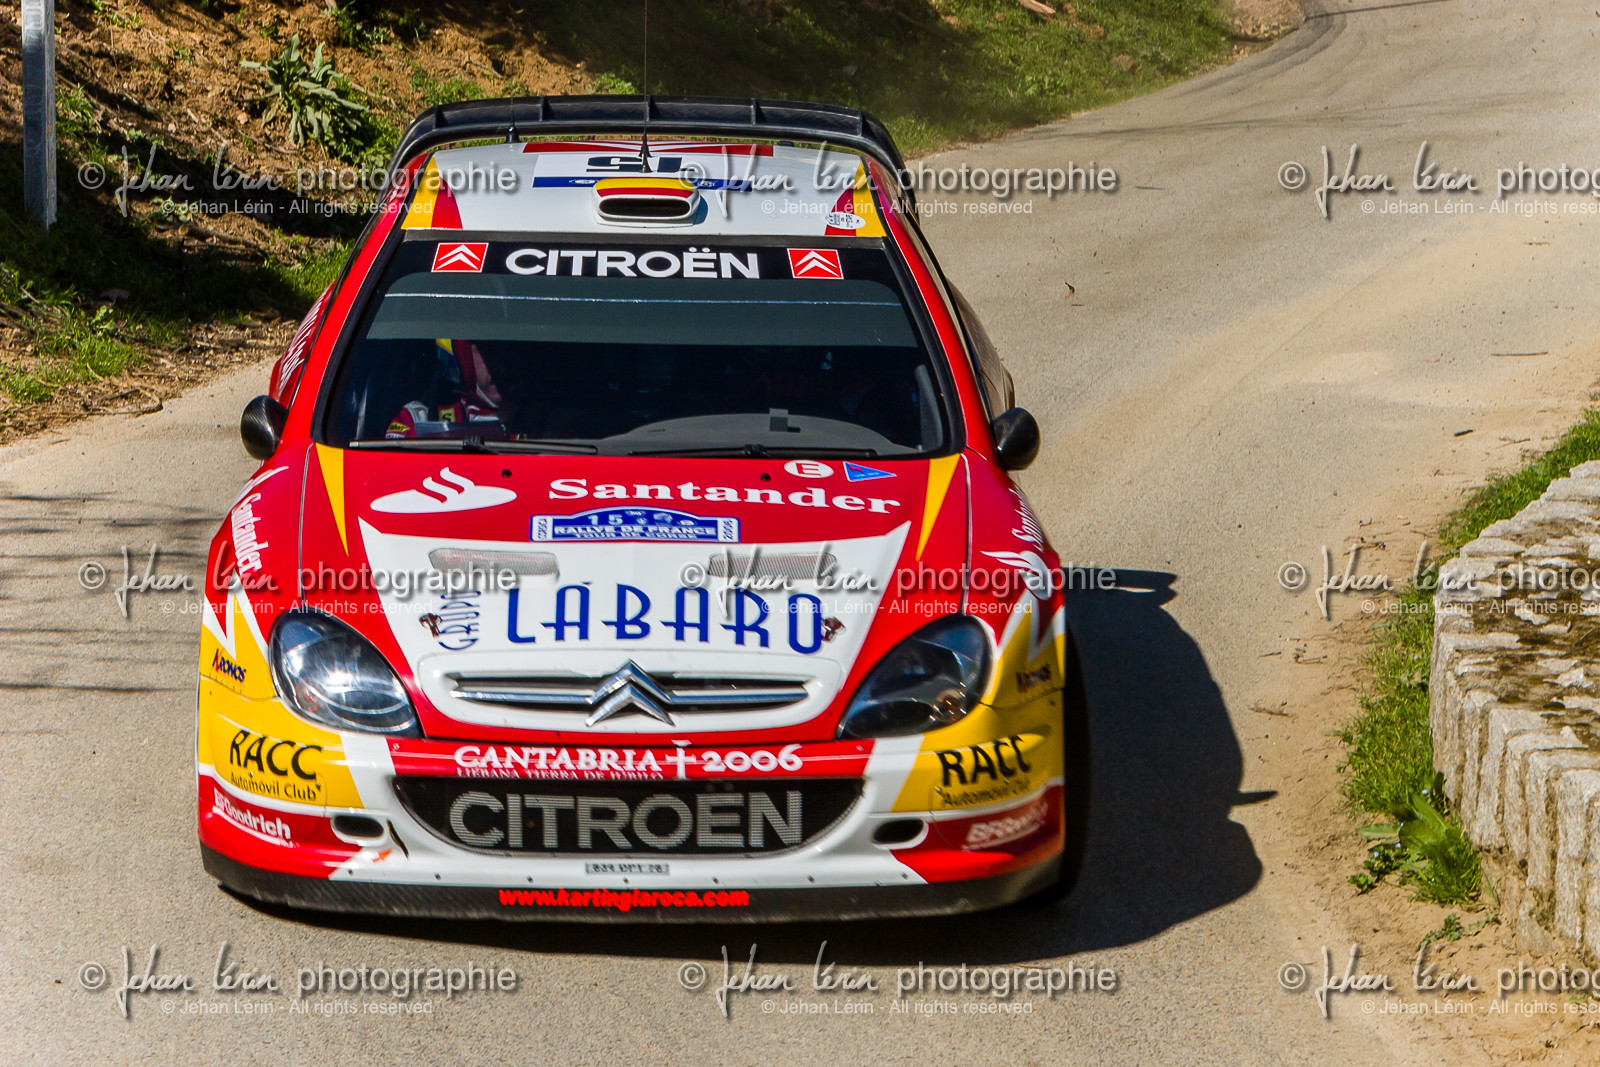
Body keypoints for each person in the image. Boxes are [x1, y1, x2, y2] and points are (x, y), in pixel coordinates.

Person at [385, 338, 509, 438]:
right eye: (489, 351)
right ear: (461, 358)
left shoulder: (528, 422)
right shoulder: (419, 419)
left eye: (508, 351)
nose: (501, 363)